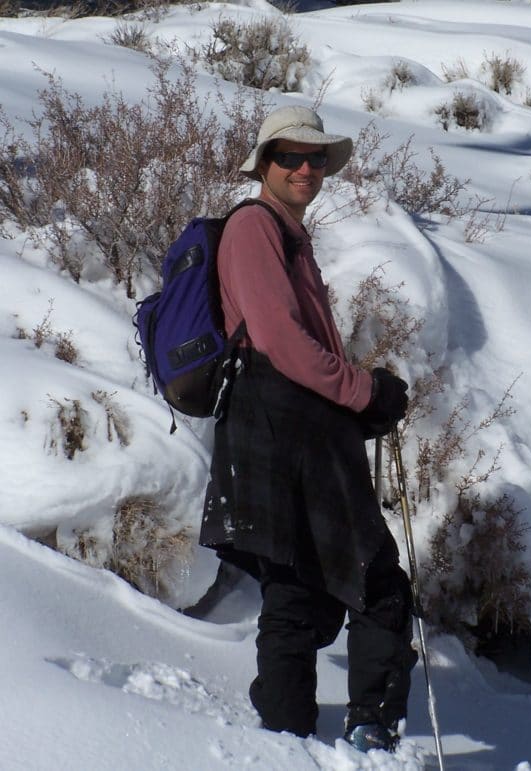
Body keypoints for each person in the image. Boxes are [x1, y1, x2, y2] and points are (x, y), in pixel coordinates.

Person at [199, 105, 418, 752]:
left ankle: (284, 732)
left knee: (297, 586)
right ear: (262, 163)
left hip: (278, 427)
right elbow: (278, 340)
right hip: (286, 426)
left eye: (314, 157)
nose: (303, 167)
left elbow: (291, 344)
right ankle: (370, 721)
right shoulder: (254, 228)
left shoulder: (284, 232)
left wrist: (357, 401)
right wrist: (363, 390)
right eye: (288, 156)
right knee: (374, 576)